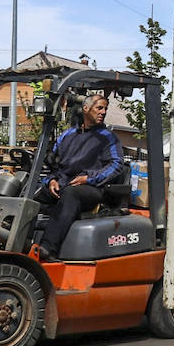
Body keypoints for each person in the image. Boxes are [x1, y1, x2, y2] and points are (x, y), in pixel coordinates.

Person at [34, 92, 124, 261]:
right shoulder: (67, 136)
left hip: (92, 189)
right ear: (85, 109)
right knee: (31, 191)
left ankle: (48, 248)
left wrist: (88, 179)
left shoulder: (108, 138)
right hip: (64, 184)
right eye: (99, 108)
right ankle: (20, 239)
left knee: (71, 194)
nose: (103, 112)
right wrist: (51, 181)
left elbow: (116, 165)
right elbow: (53, 165)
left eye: (105, 109)